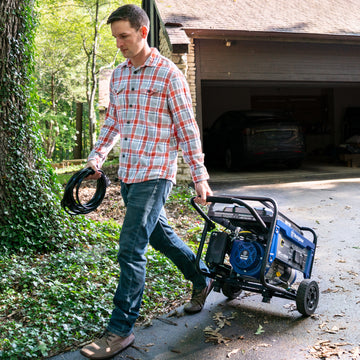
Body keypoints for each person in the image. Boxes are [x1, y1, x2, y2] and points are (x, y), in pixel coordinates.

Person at [80, 4, 213, 359]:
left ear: (142, 32)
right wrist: (97, 157)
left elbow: (187, 129)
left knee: (130, 247)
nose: (119, 43)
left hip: (157, 174)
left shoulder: (169, 74)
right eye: (115, 38)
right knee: (160, 235)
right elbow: (113, 124)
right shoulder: (119, 76)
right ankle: (202, 278)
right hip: (130, 173)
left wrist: (199, 175)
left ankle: (121, 330)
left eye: (124, 36)